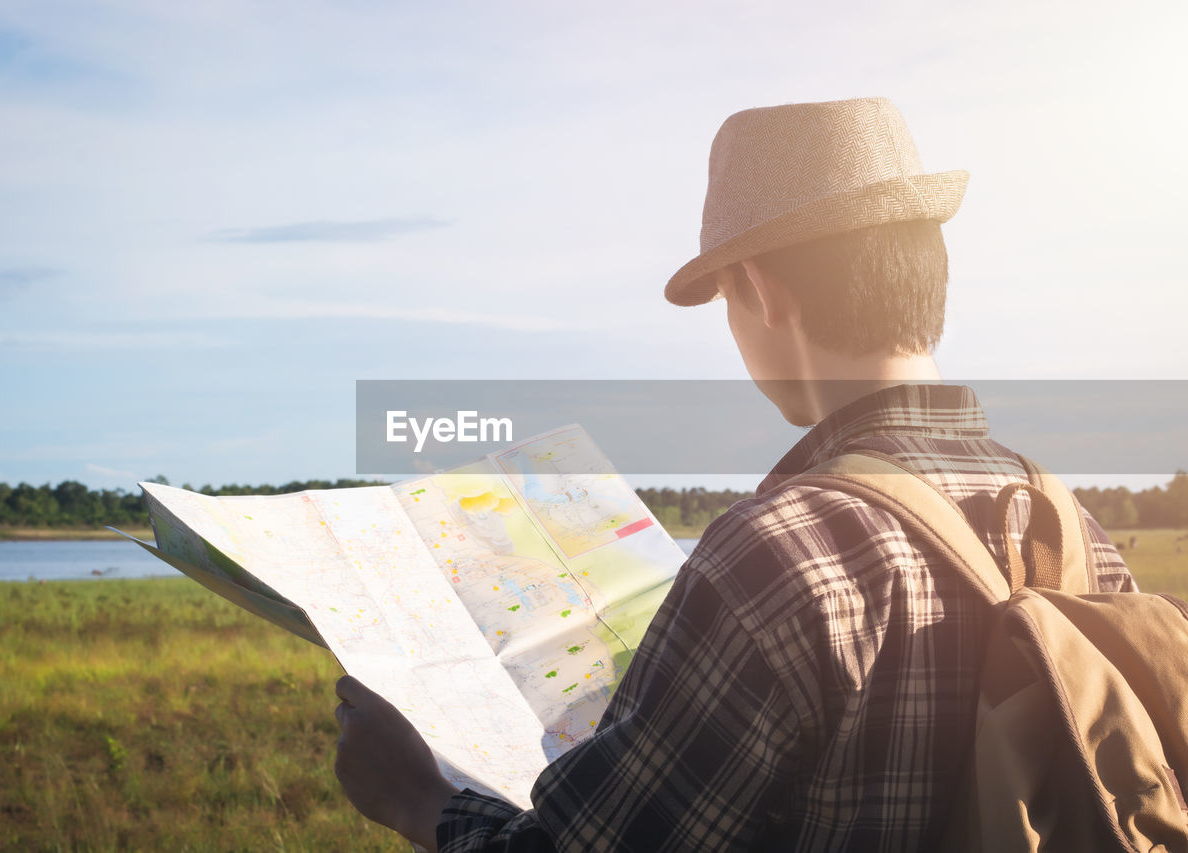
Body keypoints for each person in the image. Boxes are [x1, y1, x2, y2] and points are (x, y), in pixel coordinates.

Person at [332, 97, 1135, 852]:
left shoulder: (776, 556)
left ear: (757, 286)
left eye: (723, 296)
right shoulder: (1074, 529)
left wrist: (415, 795)